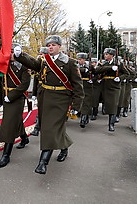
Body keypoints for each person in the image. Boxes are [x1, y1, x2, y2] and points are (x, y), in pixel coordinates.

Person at [13, 35, 84, 174]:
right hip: (45, 98)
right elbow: (32, 63)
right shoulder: (44, 60)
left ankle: (43, 162)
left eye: (53, 45)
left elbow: (78, 86)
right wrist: (20, 55)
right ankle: (64, 147)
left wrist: (76, 106)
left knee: (50, 129)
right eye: (49, 45)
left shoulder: (70, 63)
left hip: (61, 100)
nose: (50, 47)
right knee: (52, 127)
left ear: (59, 46)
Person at [0, 55, 31, 168]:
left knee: (9, 124)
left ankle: (6, 154)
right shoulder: (6, 66)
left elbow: (25, 84)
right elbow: (0, 84)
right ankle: (24, 138)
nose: (10, 55)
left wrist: (11, 96)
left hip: (17, 98)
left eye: (12, 53)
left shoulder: (24, 67)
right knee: (16, 120)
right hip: (6, 98)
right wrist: (0, 99)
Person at [93, 48, 127, 131]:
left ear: (112, 55)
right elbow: (96, 70)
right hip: (105, 86)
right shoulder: (104, 63)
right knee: (107, 105)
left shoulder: (119, 64)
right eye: (105, 54)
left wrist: (119, 78)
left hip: (114, 86)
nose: (105, 56)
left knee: (113, 104)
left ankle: (111, 124)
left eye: (107, 54)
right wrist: (110, 68)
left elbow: (127, 74)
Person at [31, 47, 49, 136]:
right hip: (40, 90)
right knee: (40, 108)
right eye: (40, 54)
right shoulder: (38, 65)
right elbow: (35, 80)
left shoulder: (50, 65)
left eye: (42, 54)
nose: (40, 56)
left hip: (49, 91)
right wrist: (34, 94)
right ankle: (37, 128)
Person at [76, 52, 94, 128]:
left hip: (87, 86)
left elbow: (96, 73)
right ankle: (83, 115)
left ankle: (83, 118)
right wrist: (84, 70)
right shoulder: (75, 65)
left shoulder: (89, 66)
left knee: (86, 102)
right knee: (80, 101)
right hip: (78, 85)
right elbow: (76, 70)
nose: (80, 61)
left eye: (81, 59)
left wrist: (92, 79)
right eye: (79, 59)